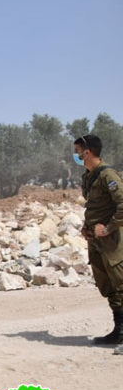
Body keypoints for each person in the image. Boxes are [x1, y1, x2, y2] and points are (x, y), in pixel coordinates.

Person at [74, 134, 123, 346]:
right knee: (107, 284)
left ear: (88, 151)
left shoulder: (107, 175)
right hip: (95, 242)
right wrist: (87, 229)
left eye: (78, 151)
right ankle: (119, 330)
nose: (76, 156)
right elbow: (93, 207)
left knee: (121, 283)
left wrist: (108, 228)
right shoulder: (88, 176)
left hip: (111, 242)